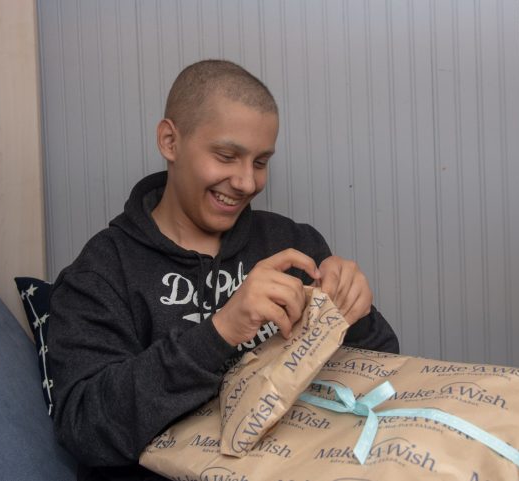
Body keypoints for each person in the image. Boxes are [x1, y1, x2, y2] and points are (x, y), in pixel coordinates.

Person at [48, 60, 399, 481]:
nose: (247, 183)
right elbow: (85, 428)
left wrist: (355, 313)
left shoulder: (293, 243)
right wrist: (221, 332)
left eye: (260, 162)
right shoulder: (102, 271)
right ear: (170, 141)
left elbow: (382, 371)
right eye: (227, 156)